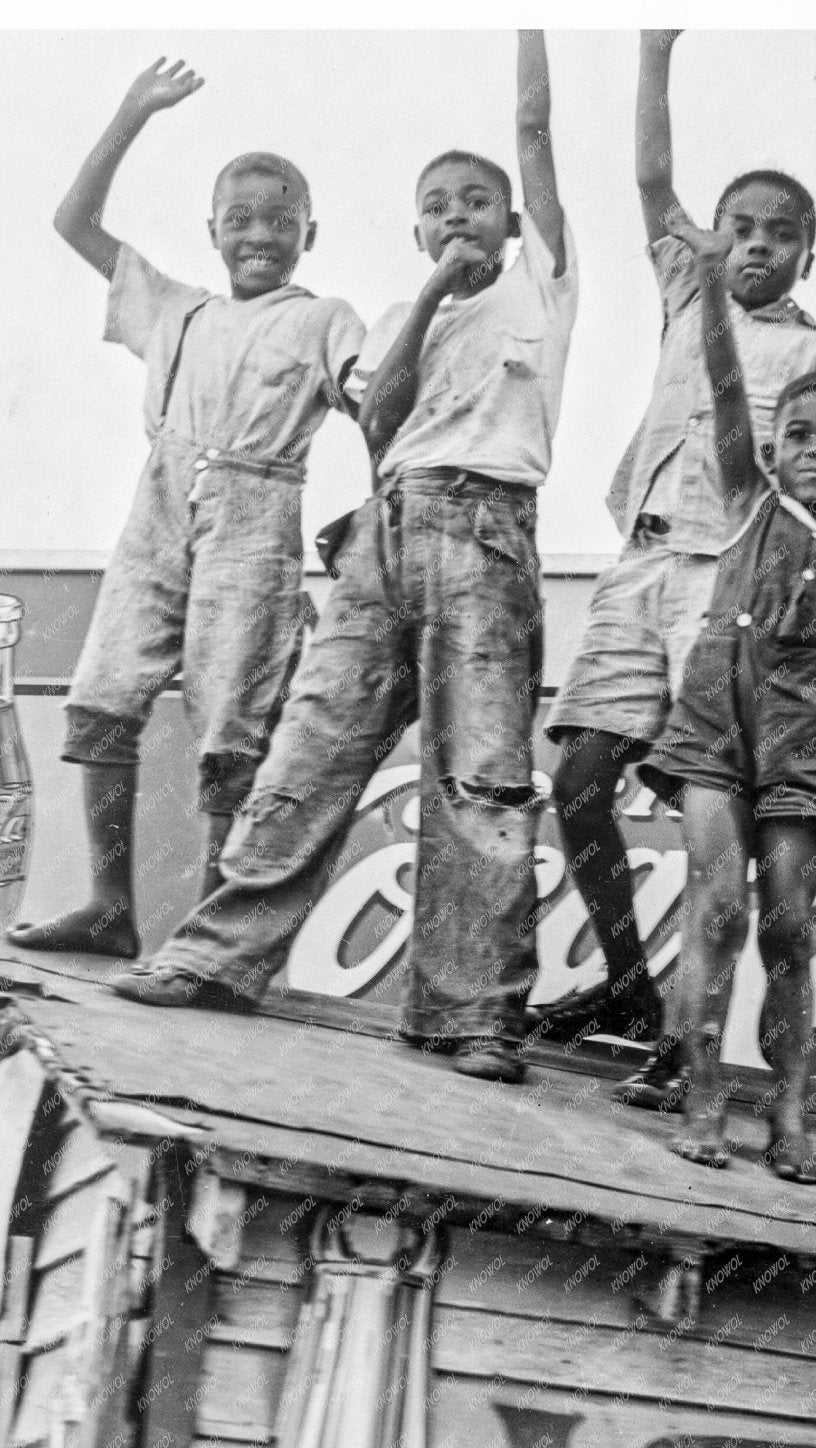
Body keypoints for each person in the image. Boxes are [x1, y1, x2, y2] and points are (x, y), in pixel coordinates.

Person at [112, 32, 576, 1085]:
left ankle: (472, 1013)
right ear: (415, 228)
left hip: (486, 528)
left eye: (477, 200)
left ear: (513, 222)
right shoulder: (410, 317)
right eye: (438, 203)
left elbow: (536, 137)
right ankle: (221, 956)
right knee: (311, 746)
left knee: (483, 775)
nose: (459, 214)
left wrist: (533, 29)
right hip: (386, 524)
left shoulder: (542, 289)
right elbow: (382, 421)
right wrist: (425, 301)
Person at [535, 28, 816, 1089]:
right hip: (643, 559)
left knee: (708, 807)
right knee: (581, 772)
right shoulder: (690, 293)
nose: (757, 246)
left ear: (808, 253)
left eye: (780, 234)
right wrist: (654, 49)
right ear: (713, 237)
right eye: (742, 228)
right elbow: (648, 175)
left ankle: (693, 1033)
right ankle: (628, 977)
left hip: (730, 579)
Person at [11, 58, 365, 960]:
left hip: (258, 509)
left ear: (308, 231)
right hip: (161, 501)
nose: (259, 234)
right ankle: (108, 906)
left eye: (279, 220)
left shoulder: (323, 316)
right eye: (240, 219)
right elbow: (73, 222)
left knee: (230, 726)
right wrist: (133, 109)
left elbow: (378, 403)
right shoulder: (174, 307)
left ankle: (208, 937)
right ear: (212, 229)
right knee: (102, 699)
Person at [635, 213, 816, 1185]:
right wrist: (706, 288)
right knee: (715, 915)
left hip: (808, 743)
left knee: (788, 926)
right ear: (772, 448)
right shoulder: (750, 498)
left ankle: (788, 1114)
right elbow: (728, 383)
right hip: (716, 724)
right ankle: (701, 1097)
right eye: (801, 436)